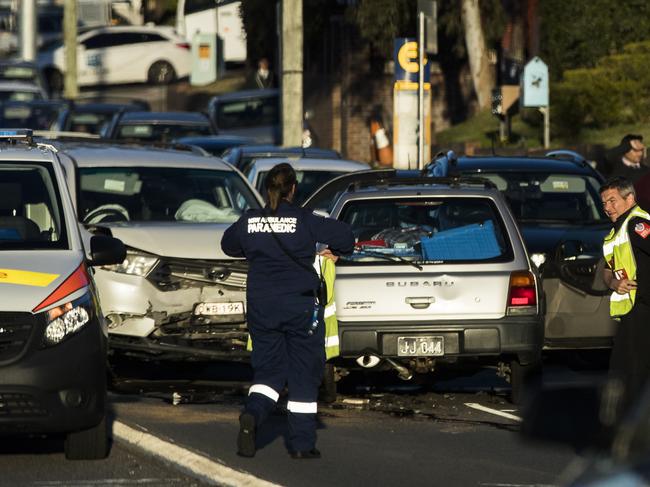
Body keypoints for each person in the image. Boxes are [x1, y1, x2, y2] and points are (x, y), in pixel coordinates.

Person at [221, 162, 354, 459]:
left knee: (268, 371)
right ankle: (302, 444)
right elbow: (346, 236)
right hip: (300, 308)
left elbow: (227, 245)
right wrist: (332, 251)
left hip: (262, 308)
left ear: (266, 189)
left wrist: (257, 248)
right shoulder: (305, 219)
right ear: (293, 189)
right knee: (304, 372)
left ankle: (253, 415)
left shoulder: (250, 220)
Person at [600, 176, 650, 424]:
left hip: (643, 308)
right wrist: (613, 282)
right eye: (604, 203)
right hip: (630, 310)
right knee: (624, 372)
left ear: (629, 199)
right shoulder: (614, 233)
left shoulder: (637, 224)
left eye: (613, 200)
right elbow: (608, 270)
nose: (607, 207)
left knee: (632, 374)